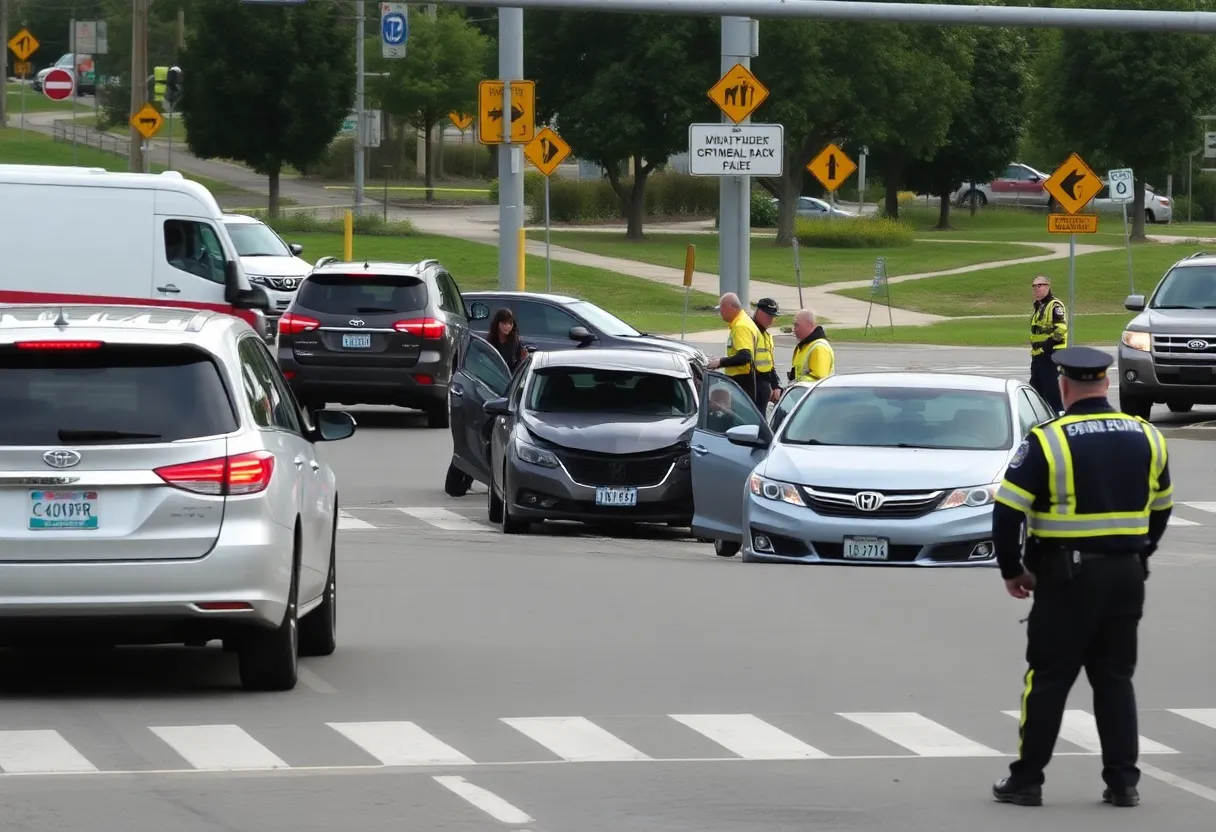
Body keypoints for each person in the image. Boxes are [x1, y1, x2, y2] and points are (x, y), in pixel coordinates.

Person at [989, 346, 1172, 810]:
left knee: (1049, 678)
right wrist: (1139, 552)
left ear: (1065, 386)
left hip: (1066, 579)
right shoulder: (1147, 435)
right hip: (1126, 577)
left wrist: (1013, 570)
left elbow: (1007, 510)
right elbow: (1162, 507)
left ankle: (1027, 780)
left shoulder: (1049, 439)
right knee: (1114, 679)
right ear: (1106, 384)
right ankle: (1123, 783)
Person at [707, 293, 761, 404]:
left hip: (742, 382)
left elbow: (745, 356)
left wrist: (720, 362)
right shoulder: (744, 321)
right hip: (749, 380)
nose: (720, 311)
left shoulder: (740, 326)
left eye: (722, 308)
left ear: (731, 307)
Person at [1029, 275, 1068, 413]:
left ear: (1047, 286)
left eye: (1039, 286)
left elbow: (1061, 329)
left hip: (1051, 356)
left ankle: (1059, 417)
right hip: (1038, 357)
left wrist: (1048, 345)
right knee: (1035, 393)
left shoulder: (1054, 305)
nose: (1036, 289)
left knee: (1052, 393)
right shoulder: (1039, 306)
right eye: (1034, 286)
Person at [751, 298, 783, 411]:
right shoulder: (750, 331)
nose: (771, 320)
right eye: (769, 316)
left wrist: (776, 386)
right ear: (759, 312)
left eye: (773, 317)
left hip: (763, 385)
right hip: (751, 386)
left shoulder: (766, 336)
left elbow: (769, 365)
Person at [788, 309, 834, 383]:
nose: (794, 329)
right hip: (802, 393)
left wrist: (796, 385)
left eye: (797, 325)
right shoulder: (803, 347)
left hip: (814, 394)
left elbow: (818, 381)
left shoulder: (819, 348)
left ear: (809, 325)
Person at [485, 307, 528, 373]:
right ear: (497, 323)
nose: (508, 326)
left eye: (510, 323)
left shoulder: (515, 341)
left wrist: (523, 359)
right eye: (504, 323)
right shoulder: (490, 340)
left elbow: (517, 366)